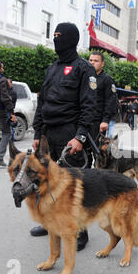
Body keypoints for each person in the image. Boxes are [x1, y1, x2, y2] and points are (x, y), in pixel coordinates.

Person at [30, 22, 98, 252]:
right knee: (47, 182)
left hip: (70, 134)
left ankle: (80, 231)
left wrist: (80, 136)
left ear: (70, 38)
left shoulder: (84, 68)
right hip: (48, 133)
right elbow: (43, 103)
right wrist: (38, 132)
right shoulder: (52, 68)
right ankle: (50, 223)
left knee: (73, 185)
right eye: (54, 35)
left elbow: (89, 107)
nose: (55, 38)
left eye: (59, 35)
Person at [88, 51, 118, 142]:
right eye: (90, 60)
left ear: (102, 64)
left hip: (97, 121)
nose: (92, 62)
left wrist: (105, 120)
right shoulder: (85, 77)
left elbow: (110, 101)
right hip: (84, 119)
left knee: (95, 148)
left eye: (96, 61)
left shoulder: (107, 79)